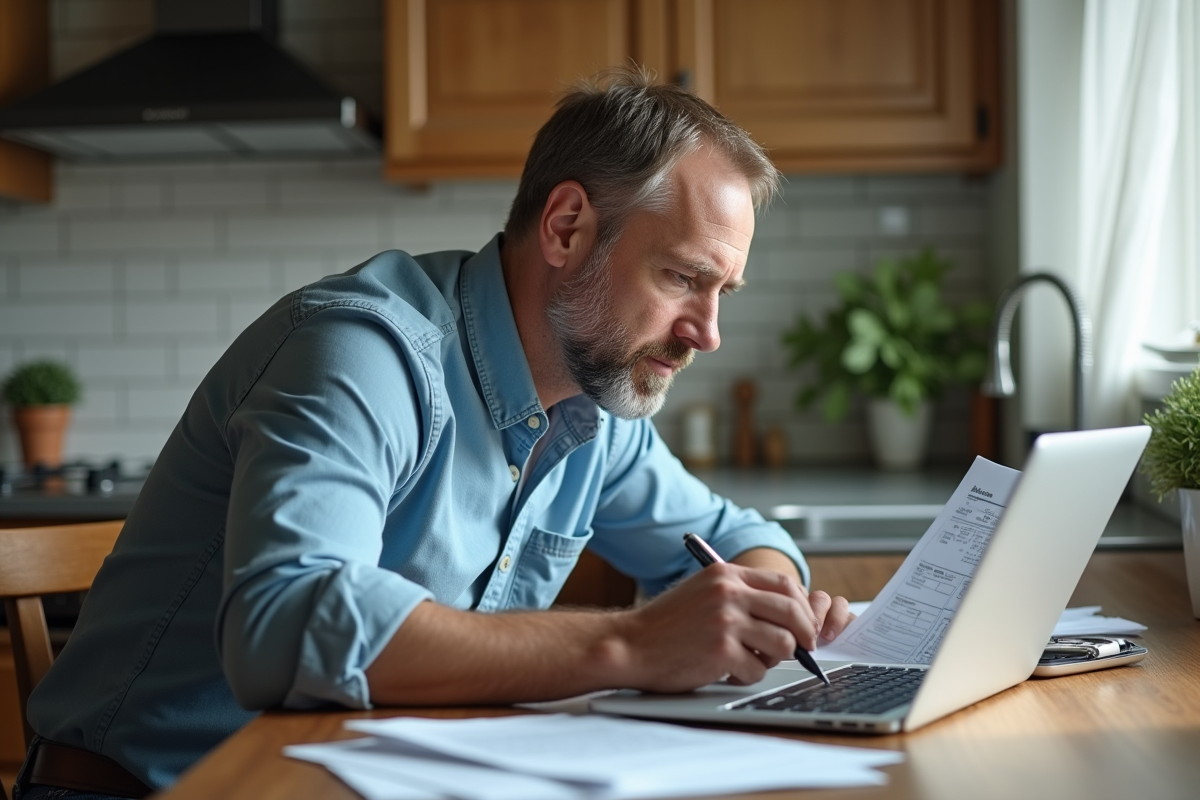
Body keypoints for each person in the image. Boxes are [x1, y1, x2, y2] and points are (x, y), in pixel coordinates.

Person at [14, 67, 853, 800]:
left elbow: (740, 538)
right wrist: (631, 642)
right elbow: (285, 625)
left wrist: (766, 598)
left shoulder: (596, 406)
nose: (706, 333)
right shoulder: (360, 352)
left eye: (722, 294)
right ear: (567, 228)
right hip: (155, 789)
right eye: (683, 278)